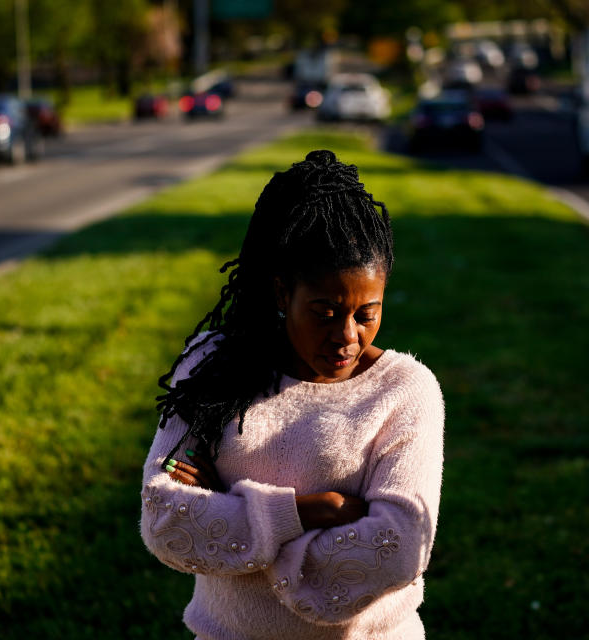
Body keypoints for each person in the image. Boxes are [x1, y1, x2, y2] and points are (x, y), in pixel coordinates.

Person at [140, 149, 445, 639]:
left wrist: (238, 527)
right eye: (324, 311)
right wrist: (313, 511)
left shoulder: (404, 392)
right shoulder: (213, 370)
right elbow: (164, 522)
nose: (347, 336)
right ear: (283, 293)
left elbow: (400, 546)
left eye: (366, 313)